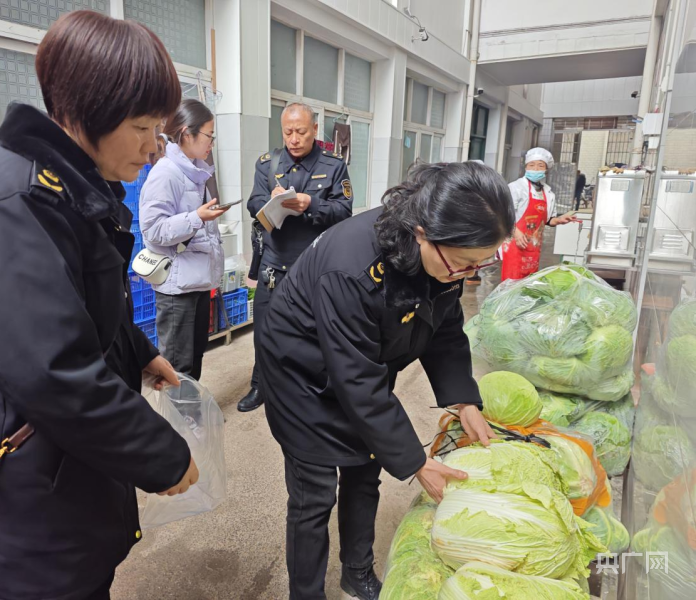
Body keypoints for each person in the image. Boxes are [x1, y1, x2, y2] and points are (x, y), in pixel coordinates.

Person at [0, 11, 199, 600]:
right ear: (89, 111)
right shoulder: (16, 206)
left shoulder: (70, 186)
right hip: (19, 490)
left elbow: (76, 302)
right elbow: (52, 371)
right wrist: (159, 453)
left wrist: (136, 351)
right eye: (142, 127)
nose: (153, 147)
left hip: (53, 471)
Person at [258, 162, 513, 600]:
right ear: (421, 232)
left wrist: (463, 400)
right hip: (300, 373)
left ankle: (356, 572)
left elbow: (445, 328)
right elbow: (356, 380)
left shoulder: (444, 260)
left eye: (480, 263)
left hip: (362, 362)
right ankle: (306, 594)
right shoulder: (353, 268)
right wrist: (415, 461)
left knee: (365, 465)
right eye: (463, 263)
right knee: (314, 493)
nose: (467, 275)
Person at [237, 102, 353, 412]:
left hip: (315, 268)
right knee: (264, 331)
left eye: (301, 131)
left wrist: (310, 203)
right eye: (288, 132)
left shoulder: (333, 165)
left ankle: (307, 390)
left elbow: (344, 211)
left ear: (315, 130)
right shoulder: (267, 163)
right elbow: (254, 203)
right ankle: (260, 385)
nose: (294, 139)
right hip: (274, 265)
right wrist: (272, 201)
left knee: (313, 333)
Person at [140, 99, 228, 380]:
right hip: (177, 290)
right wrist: (196, 218)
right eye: (209, 136)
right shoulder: (166, 173)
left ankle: (193, 418)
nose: (211, 143)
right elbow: (152, 229)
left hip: (197, 282)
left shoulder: (193, 172)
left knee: (195, 356)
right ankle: (178, 423)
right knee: (177, 365)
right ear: (187, 134)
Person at [501, 147, 576, 282]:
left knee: (528, 282)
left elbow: (548, 220)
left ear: (546, 169)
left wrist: (559, 220)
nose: (535, 168)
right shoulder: (516, 187)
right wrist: (516, 233)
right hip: (515, 244)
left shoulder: (548, 193)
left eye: (540, 165)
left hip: (534, 246)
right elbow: (505, 214)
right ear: (526, 167)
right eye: (532, 165)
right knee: (511, 283)